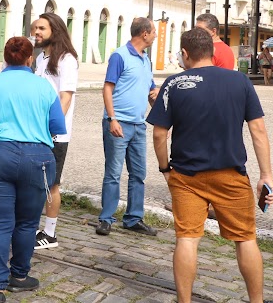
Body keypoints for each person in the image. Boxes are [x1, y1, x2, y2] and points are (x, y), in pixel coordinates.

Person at [148, 28, 273, 303]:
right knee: (245, 239)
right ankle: (257, 301)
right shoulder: (240, 81)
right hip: (230, 176)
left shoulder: (173, 83)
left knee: (188, 238)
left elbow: (159, 134)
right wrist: (266, 175)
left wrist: (165, 169)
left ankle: (184, 301)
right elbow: (258, 131)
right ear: (213, 51)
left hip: (185, 176)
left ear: (184, 53)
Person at [0, 37, 66, 303]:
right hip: (36, 158)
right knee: (28, 222)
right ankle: (19, 275)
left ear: (5, 58)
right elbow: (57, 128)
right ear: (30, 59)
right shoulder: (44, 87)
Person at [97, 17, 158, 237]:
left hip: (138, 125)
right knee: (113, 173)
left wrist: (155, 95)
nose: (155, 36)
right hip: (118, 123)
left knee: (138, 174)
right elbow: (107, 88)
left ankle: (133, 218)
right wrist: (112, 118)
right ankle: (106, 218)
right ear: (144, 33)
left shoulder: (145, 60)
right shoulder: (119, 56)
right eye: (153, 32)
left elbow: (150, 89)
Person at [31, 12, 79, 250]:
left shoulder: (66, 60)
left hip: (54, 134)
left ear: (54, 31)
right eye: (35, 28)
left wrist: (51, 127)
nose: (36, 32)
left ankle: (50, 234)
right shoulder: (40, 58)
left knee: (52, 183)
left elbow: (65, 97)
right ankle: (36, 227)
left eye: (41, 28)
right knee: (37, 181)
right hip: (37, 131)